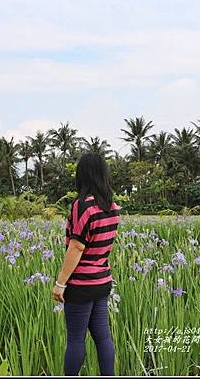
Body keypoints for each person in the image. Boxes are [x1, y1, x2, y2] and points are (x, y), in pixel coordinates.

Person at [51, 152, 120, 376]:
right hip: (103, 280)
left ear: (83, 174)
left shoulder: (83, 205)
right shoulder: (112, 207)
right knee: (102, 336)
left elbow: (77, 246)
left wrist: (61, 282)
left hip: (81, 284)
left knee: (75, 340)